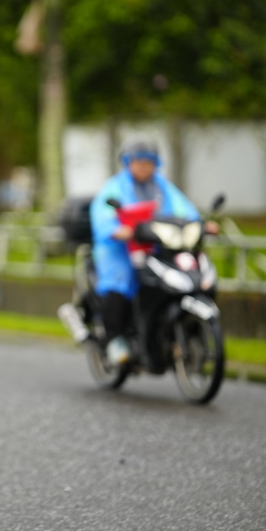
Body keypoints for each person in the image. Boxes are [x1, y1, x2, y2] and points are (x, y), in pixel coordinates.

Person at [90, 139, 214, 366]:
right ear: (128, 163)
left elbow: (184, 210)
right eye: (139, 162)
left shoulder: (162, 188)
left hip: (155, 247)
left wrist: (200, 224)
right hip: (120, 249)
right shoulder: (115, 187)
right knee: (122, 281)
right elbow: (103, 214)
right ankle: (115, 339)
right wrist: (116, 230)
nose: (143, 167)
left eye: (148, 163)